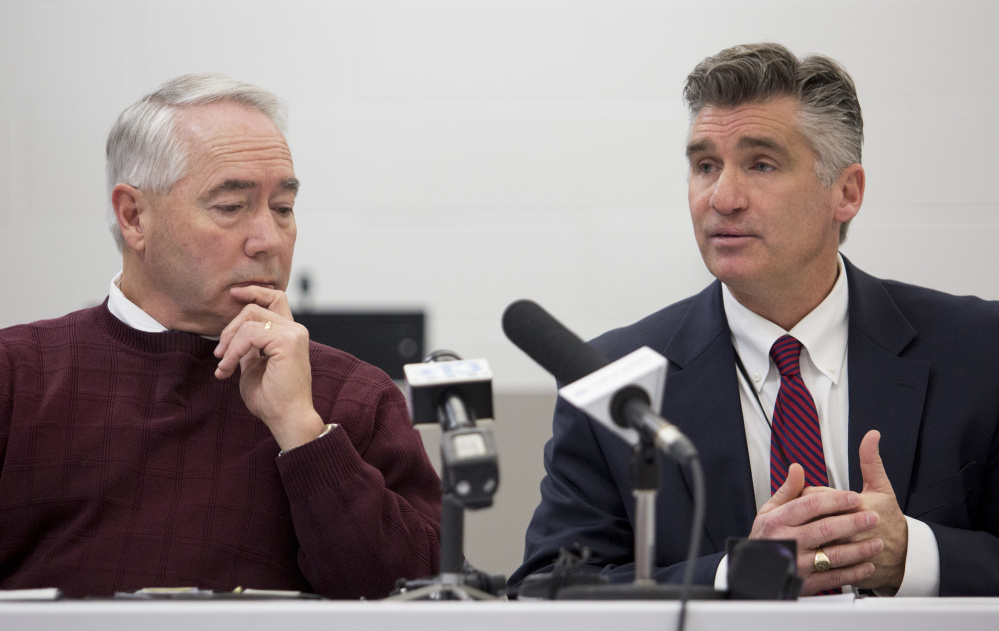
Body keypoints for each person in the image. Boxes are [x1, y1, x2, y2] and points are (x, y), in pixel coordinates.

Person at [510, 43, 999, 597]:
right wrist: (738, 574)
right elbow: (546, 590)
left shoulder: (979, 350)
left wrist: (915, 557)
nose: (722, 197)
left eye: (760, 164)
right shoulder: (613, 380)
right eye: (705, 166)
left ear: (847, 192)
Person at [0, 74, 441, 599]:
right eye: (231, 207)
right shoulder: (18, 376)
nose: (268, 240)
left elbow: (417, 600)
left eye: (283, 208)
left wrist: (302, 432)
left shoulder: (353, 397)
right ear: (134, 216)